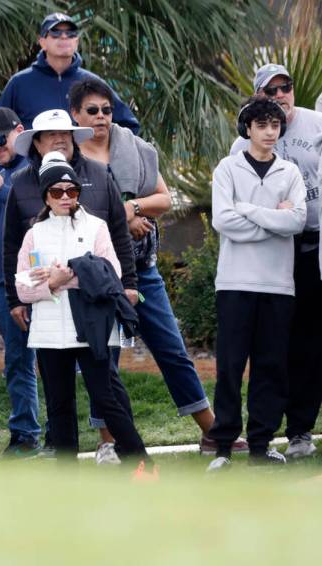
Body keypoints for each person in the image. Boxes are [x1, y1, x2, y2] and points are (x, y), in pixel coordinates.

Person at [69, 78, 232, 460]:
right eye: (92, 110)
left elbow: (163, 197)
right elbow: (68, 208)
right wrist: (122, 222)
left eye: (106, 110)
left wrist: (130, 210)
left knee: (172, 349)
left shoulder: (134, 148)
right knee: (103, 356)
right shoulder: (71, 159)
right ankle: (107, 441)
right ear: (76, 114)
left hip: (142, 269)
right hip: (96, 276)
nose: (101, 117)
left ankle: (212, 431)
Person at [3, 109, 136, 455]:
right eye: (57, 192)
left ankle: (140, 462)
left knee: (106, 396)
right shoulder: (34, 232)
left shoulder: (96, 224)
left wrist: (69, 274)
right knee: (59, 406)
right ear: (46, 195)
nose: (65, 197)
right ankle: (66, 484)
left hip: (91, 321)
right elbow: (22, 284)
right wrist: (47, 286)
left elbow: (112, 271)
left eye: (71, 191)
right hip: (48, 327)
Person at [207, 96, 306, 471]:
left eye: (275, 126)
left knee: (271, 367)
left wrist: (245, 210)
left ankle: (262, 444)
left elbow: (296, 222)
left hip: (279, 285)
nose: (269, 132)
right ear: (247, 129)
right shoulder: (227, 169)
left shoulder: (290, 173)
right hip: (234, 282)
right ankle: (223, 448)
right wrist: (269, 217)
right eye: (262, 125)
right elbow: (223, 221)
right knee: (230, 366)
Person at [230, 64, 322, 459]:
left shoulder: (317, 125)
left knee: (309, 342)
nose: (281, 94)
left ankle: (301, 430)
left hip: (313, 247)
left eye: (286, 87)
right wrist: (277, 215)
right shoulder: (241, 146)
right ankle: (260, 432)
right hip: (268, 251)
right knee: (270, 345)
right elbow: (234, 205)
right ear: (257, 99)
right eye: (272, 91)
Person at [0, 108, 42, 460]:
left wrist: (1, 193)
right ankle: (24, 435)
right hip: (2, 281)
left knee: (47, 358)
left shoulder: (35, 168)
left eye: (1, 139)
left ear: (19, 130)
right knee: (16, 360)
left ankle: (45, 434)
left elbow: (39, 212)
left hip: (38, 278)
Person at [0, 12, 139, 133]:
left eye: (70, 33)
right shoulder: (19, 83)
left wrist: (104, 156)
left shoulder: (92, 83)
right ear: (42, 42)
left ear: (76, 42)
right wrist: (19, 162)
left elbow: (129, 125)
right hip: (34, 165)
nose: (64, 37)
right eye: (55, 32)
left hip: (84, 164)